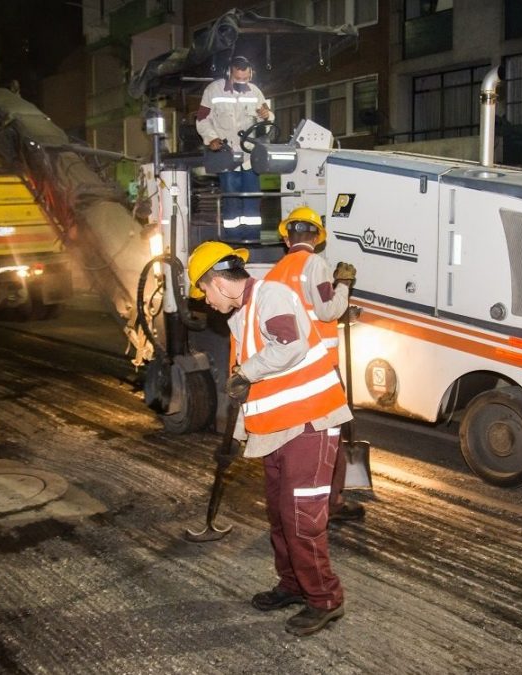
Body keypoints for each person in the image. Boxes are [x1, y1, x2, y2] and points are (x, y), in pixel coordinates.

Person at [188, 240, 351, 637]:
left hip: (310, 424)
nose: (204, 300)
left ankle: (325, 599)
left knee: (301, 520)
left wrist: (246, 372)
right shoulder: (240, 316)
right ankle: (293, 585)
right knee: (279, 515)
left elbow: (290, 346)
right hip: (278, 431)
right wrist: (244, 433)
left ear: (220, 282)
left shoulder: (270, 295)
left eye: (203, 290)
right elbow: (258, 387)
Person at [265, 206, 364, 522]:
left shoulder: (275, 272)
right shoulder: (315, 264)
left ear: (286, 238)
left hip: (292, 369)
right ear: (316, 238)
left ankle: (296, 497)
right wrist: (344, 284)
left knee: (298, 439)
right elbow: (326, 311)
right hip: (322, 370)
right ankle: (331, 502)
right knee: (328, 438)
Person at [195, 55, 273, 243]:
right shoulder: (213, 90)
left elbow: (268, 119)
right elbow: (202, 119)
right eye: (238, 79)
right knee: (232, 202)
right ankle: (234, 241)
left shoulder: (255, 92)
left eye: (245, 79)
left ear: (250, 75)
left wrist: (266, 115)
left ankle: (253, 241)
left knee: (252, 203)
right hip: (226, 155)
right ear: (229, 72)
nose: (242, 82)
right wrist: (212, 138)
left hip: (249, 157)